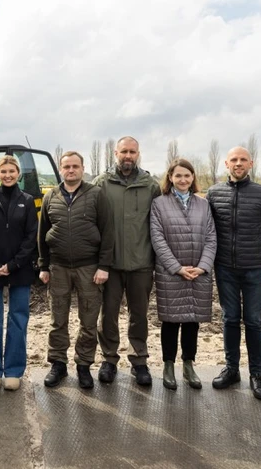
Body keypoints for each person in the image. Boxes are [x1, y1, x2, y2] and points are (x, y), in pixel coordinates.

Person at [206, 146, 261, 400]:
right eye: (233, 160)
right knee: (229, 319)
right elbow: (206, 230)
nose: (238, 163)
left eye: (243, 160)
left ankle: (256, 375)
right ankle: (231, 370)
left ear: (251, 164)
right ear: (225, 164)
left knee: (253, 320)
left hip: (254, 269)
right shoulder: (214, 193)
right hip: (225, 268)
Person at [38, 150, 113, 389]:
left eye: (75, 166)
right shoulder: (51, 196)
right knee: (57, 319)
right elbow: (42, 235)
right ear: (61, 169)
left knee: (88, 320)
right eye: (66, 167)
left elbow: (108, 233)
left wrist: (103, 266)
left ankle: (83, 365)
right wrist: (43, 265)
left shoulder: (96, 195)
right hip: (58, 268)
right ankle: (58, 364)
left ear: (82, 169)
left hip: (89, 268)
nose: (71, 170)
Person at [92, 136, 161, 387]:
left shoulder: (150, 186)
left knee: (139, 315)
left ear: (138, 153)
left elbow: (159, 224)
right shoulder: (101, 184)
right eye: (124, 151)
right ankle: (109, 360)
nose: (128, 156)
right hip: (109, 264)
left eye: (132, 151)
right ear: (115, 153)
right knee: (108, 314)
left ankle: (139, 361)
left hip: (142, 262)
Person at [150, 159, 217, 391]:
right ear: (170, 177)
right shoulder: (159, 204)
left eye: (187, 176)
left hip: (198, 272)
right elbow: (157, 238)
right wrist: (176, 267)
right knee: (170, 321)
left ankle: (189, 365)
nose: (183, 180)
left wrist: (203, 266)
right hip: (171, 273)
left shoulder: (203, 204)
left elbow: (211, 237)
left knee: (192, 322)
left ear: (193, 178)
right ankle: (168, 365)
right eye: (178, 176)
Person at [0, 155, 38, 391]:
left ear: (18, 174)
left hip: (20, 269)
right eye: (3, 171)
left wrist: (12, 265)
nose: (8, 175)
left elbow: (30, 237)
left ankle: (13, 370)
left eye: (12, 171)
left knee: (18, 318)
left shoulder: (27, 200)